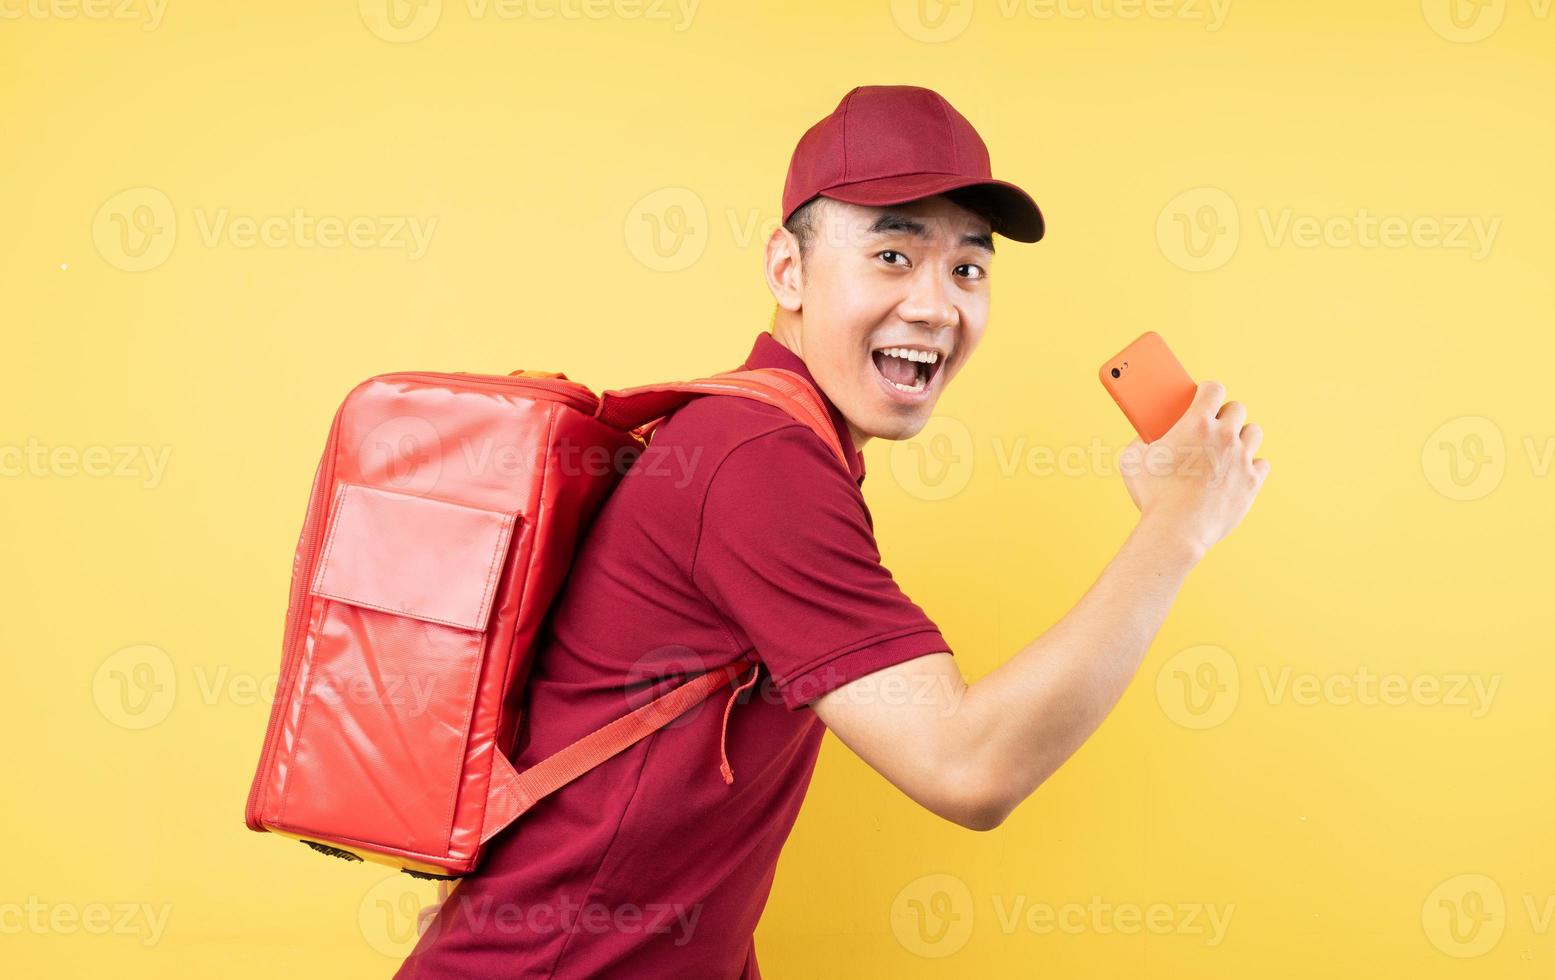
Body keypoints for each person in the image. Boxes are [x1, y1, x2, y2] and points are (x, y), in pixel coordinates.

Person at [395, 83, 1268, 979]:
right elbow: (967, 768)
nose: (937, 305)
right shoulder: (756, 461)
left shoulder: (771, 440)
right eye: (892, 254)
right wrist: (1177, 525)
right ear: (787, 271)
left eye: (968, 268)